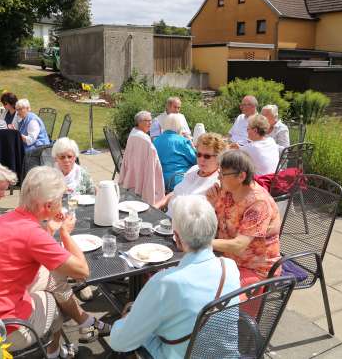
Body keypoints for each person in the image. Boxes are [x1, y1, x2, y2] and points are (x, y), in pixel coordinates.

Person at [0, 167, 111, 357]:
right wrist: (65, 233)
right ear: (48, 206)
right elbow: (82, 271)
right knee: (54, 302)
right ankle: (54, 352)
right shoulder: (32, 234)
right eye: (60, 200)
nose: (61, 204)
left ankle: (85, 324)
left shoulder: (5, 218)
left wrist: (49, 229)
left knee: (55, 276)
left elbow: (25, 250)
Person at [110, 195, 240, 358]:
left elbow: (119, 342)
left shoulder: (164, 282)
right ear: (213, 231)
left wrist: (125, 321)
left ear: (177, 238)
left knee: (131, 320)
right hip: (225, 356)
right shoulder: (230, 267)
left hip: (179, 354)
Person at [207, 150, 281, 288]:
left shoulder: (258, 203)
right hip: (228, 260)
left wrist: (202, 242)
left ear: (241, 176)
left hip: (256, 270)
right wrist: (211, 204)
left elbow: (239, 246)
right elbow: (218, 224)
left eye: (222, 174)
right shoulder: (228, 190)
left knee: (209, 294)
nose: (219, 178)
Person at [155, 133, 227, 216]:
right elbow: (176, 192)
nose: (201, 159)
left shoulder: (218, 181)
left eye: (207, 156)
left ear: (219, 157)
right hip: (167, 218)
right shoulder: (194, 169)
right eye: (198, 154)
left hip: (187, 226)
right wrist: (158, 205)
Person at [119, 110, 165, 204]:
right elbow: (154, 160)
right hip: (142, 171)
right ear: (139, 122)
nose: (150, 123)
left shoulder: (134, 133)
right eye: (147, 121)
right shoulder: (143, 139)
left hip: (134, 170)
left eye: (151, 120)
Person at [153, 113, 196, 191]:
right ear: (179, 126)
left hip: (160, 180)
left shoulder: (156, 141)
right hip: (179, 180)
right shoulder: (182, 141)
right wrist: (192, 145)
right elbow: (195, 160)